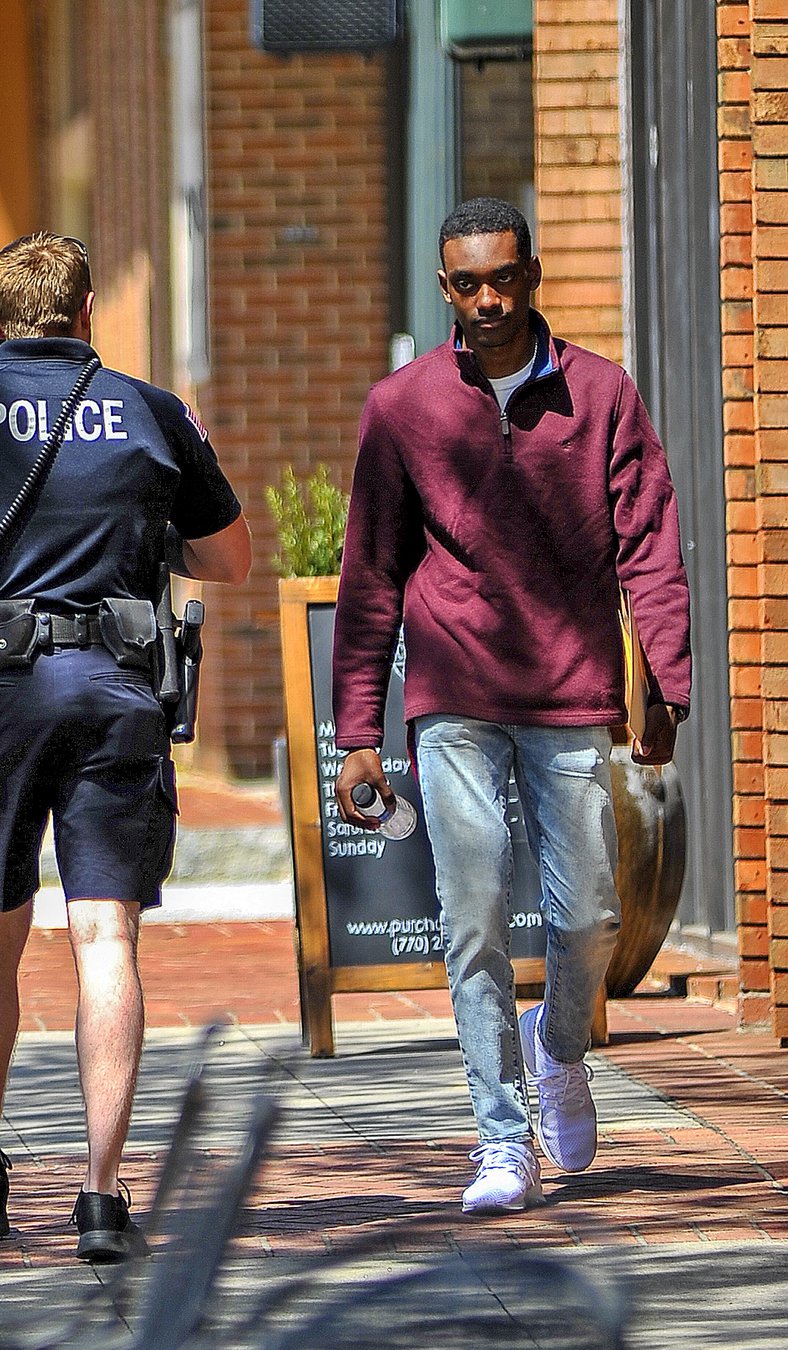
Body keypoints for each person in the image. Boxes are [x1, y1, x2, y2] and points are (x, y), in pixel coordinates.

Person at [0, 232, 251, 1261]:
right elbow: (230, 556)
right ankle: (104, 1193)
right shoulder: (153, 412)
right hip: (119, 692)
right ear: (85, 314)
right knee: (106, 936)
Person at [332, 197, 691, 1215]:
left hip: (571, 687)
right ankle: (501, 1138)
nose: (487, 300)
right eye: (466, 283)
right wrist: (357, 729)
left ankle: (562, 1045)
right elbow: (371, 577)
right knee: (473, 913)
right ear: (444, 288)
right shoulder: (402, 407)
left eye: (503, 278)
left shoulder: (602, 395)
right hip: (452, 694)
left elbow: (650, 547)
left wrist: (662, 680)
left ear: (531, 275)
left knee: (590, 916)